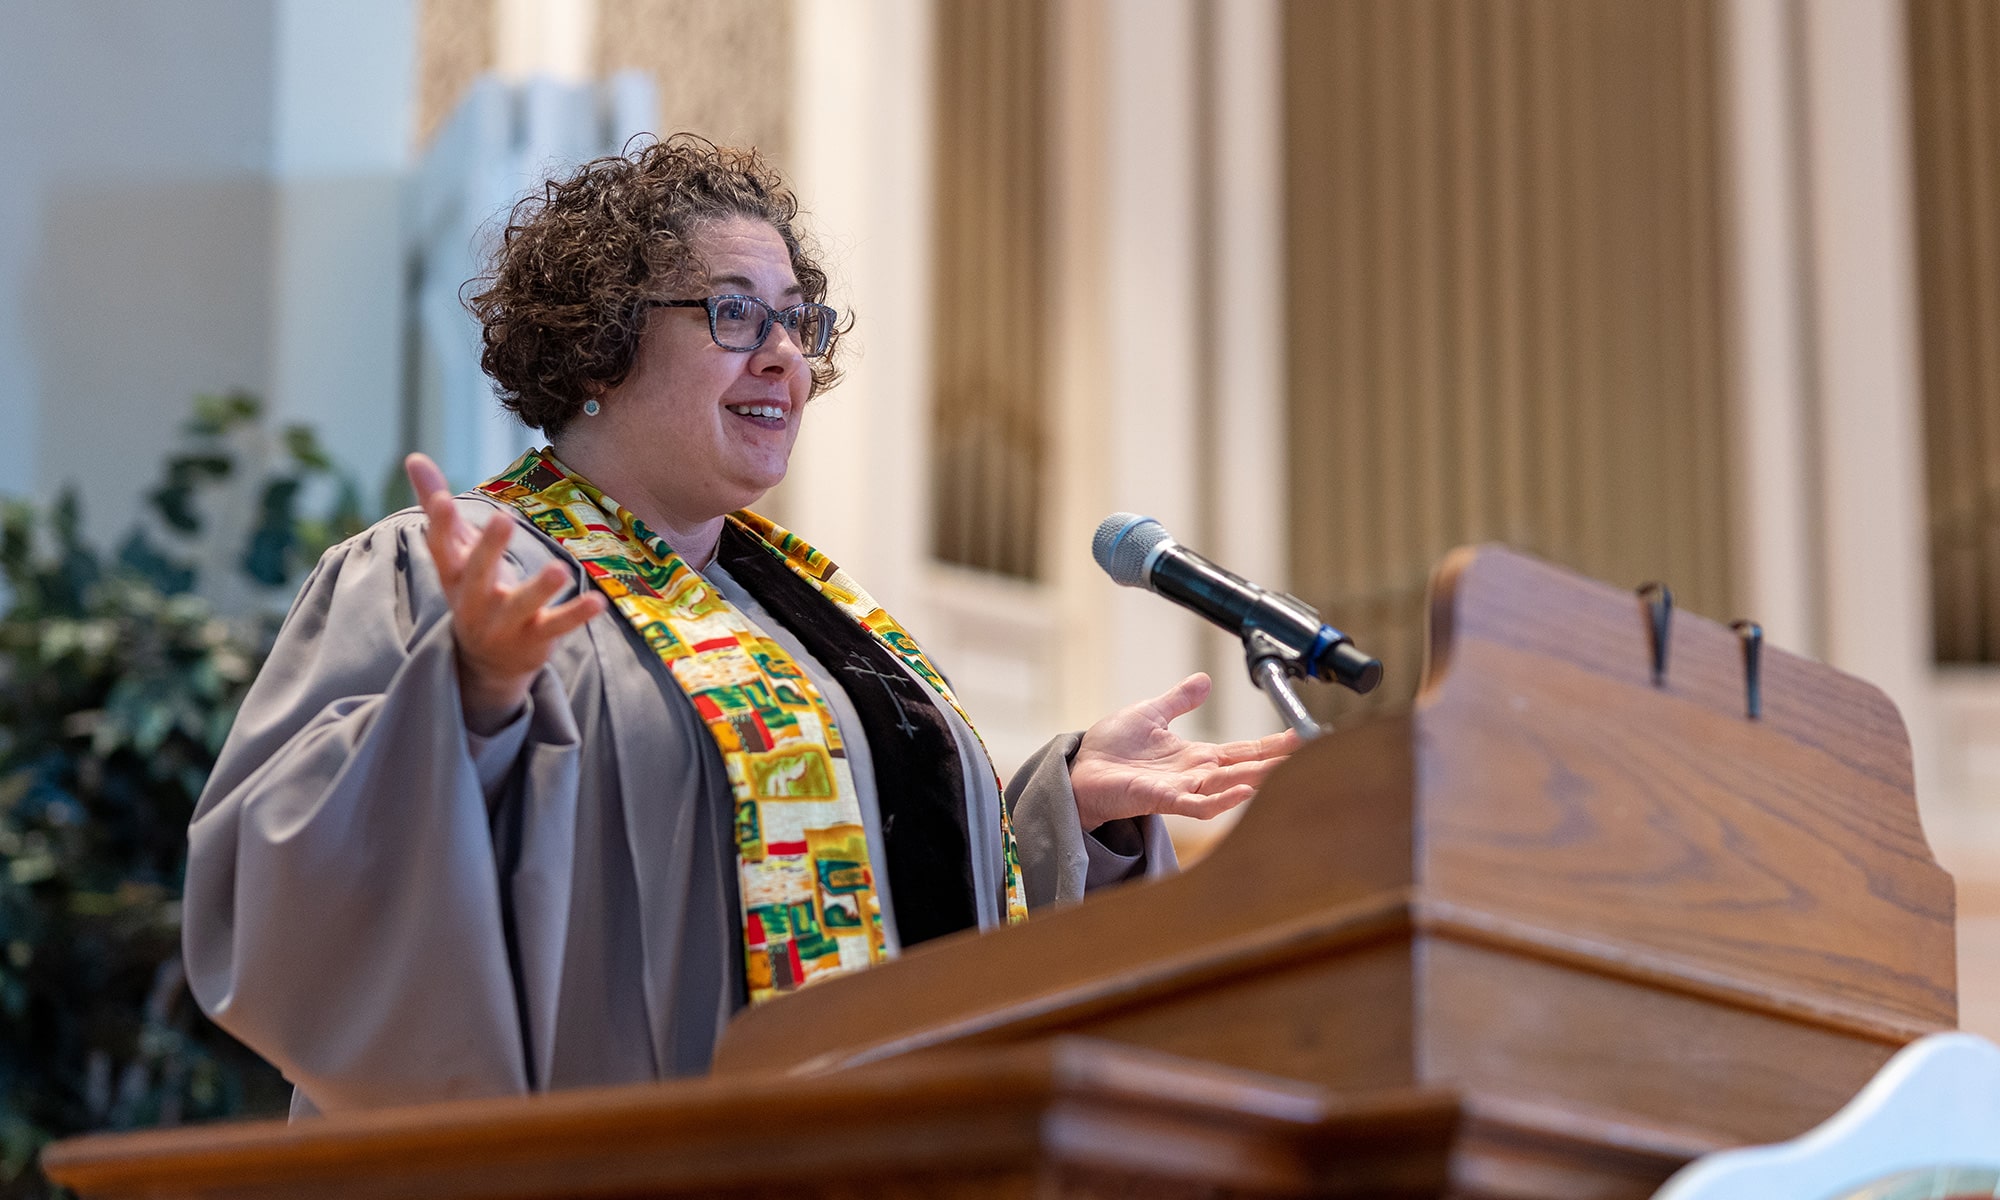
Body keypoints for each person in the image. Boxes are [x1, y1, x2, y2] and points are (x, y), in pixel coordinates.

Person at [182, 135, 1295, 1116]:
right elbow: (288, 879)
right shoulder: (450, 571)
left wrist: (1059, 806)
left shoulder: (810, 620)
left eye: (797, 321)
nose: (783, 358)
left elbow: (844, 888)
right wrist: (464, 694)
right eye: (732, 314)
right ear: (599, 347)